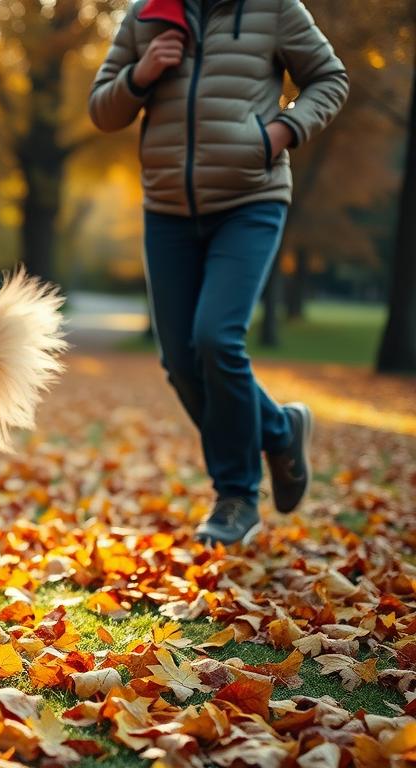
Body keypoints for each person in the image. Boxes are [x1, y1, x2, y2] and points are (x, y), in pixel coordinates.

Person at [89, 0, 348, 545]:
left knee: (215, 338)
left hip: (249, 200)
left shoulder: (274, 9)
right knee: (181, 360)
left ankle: (235, 496)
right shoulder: (147, 13)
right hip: (168, 211)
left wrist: (281, 131)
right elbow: (102, 110)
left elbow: (329, 77)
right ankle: (279, 430)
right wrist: (141, 74)